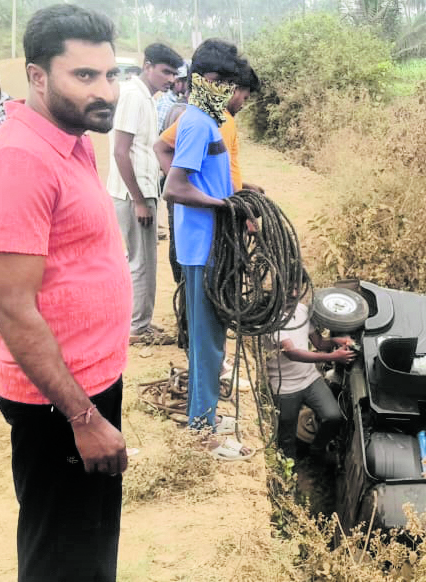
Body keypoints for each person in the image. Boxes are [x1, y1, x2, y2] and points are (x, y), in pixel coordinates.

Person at [0, 5, 130, 580]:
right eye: (84, 75)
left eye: (110, 74)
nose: (104, 90)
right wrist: (83, 417)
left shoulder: (72, 139)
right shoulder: (19, 161)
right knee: (62, 559)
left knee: (89, 547)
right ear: (38, 77)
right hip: (59, 402)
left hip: (89, 385)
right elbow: (10, 306)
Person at [161, 38, 253, 460]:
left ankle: (207, 415)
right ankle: (202, 430)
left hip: (214, 245)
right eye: (224, 81)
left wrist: (240, 193)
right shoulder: (198, 123)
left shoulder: (211, 120)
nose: (230, 90)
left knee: (212, 336)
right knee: (206, 342)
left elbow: (205, 177)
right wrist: (225, 206)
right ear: (205, 80)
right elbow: (175, 188)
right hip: (202, 247)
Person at [154, 62, 258, 286]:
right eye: (244, 97)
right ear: (234, 89)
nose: (243, 104)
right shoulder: (214, 122)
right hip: (208, 227)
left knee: (193, 282)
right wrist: (243, 212)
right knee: (209, 285)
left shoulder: (201, 117)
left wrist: (244, 187)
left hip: (196, 220)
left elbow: (161, 146)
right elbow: (172, 173)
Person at [107, 42, 182, 346]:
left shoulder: (148, 98)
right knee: (142, 262)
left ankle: (138, 321)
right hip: (133, 195)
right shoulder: (133, 96)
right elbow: (120, 151)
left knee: (142, 261)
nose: (170, 79)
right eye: (165, 72)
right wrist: (139, 200)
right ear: (147, 66)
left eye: (173, 74)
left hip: (143, 190)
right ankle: (139, 328)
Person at [263, 302, 354, 459]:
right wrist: (333, 357)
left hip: (310, 378)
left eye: (296, 289)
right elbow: (292, 353)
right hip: (285, 386)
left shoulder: (302, 309)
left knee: (333, 416)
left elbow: (319, 343)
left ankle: (316, 451)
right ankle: (290, 468)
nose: (294, 292)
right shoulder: (272, 318)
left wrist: (336, 341)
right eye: (289, 289)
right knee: (286, 436)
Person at [155, 63, 189, 134]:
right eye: (187, 82)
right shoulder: (166, 104)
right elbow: (156, 132)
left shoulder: (175, 101)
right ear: (177, 83)